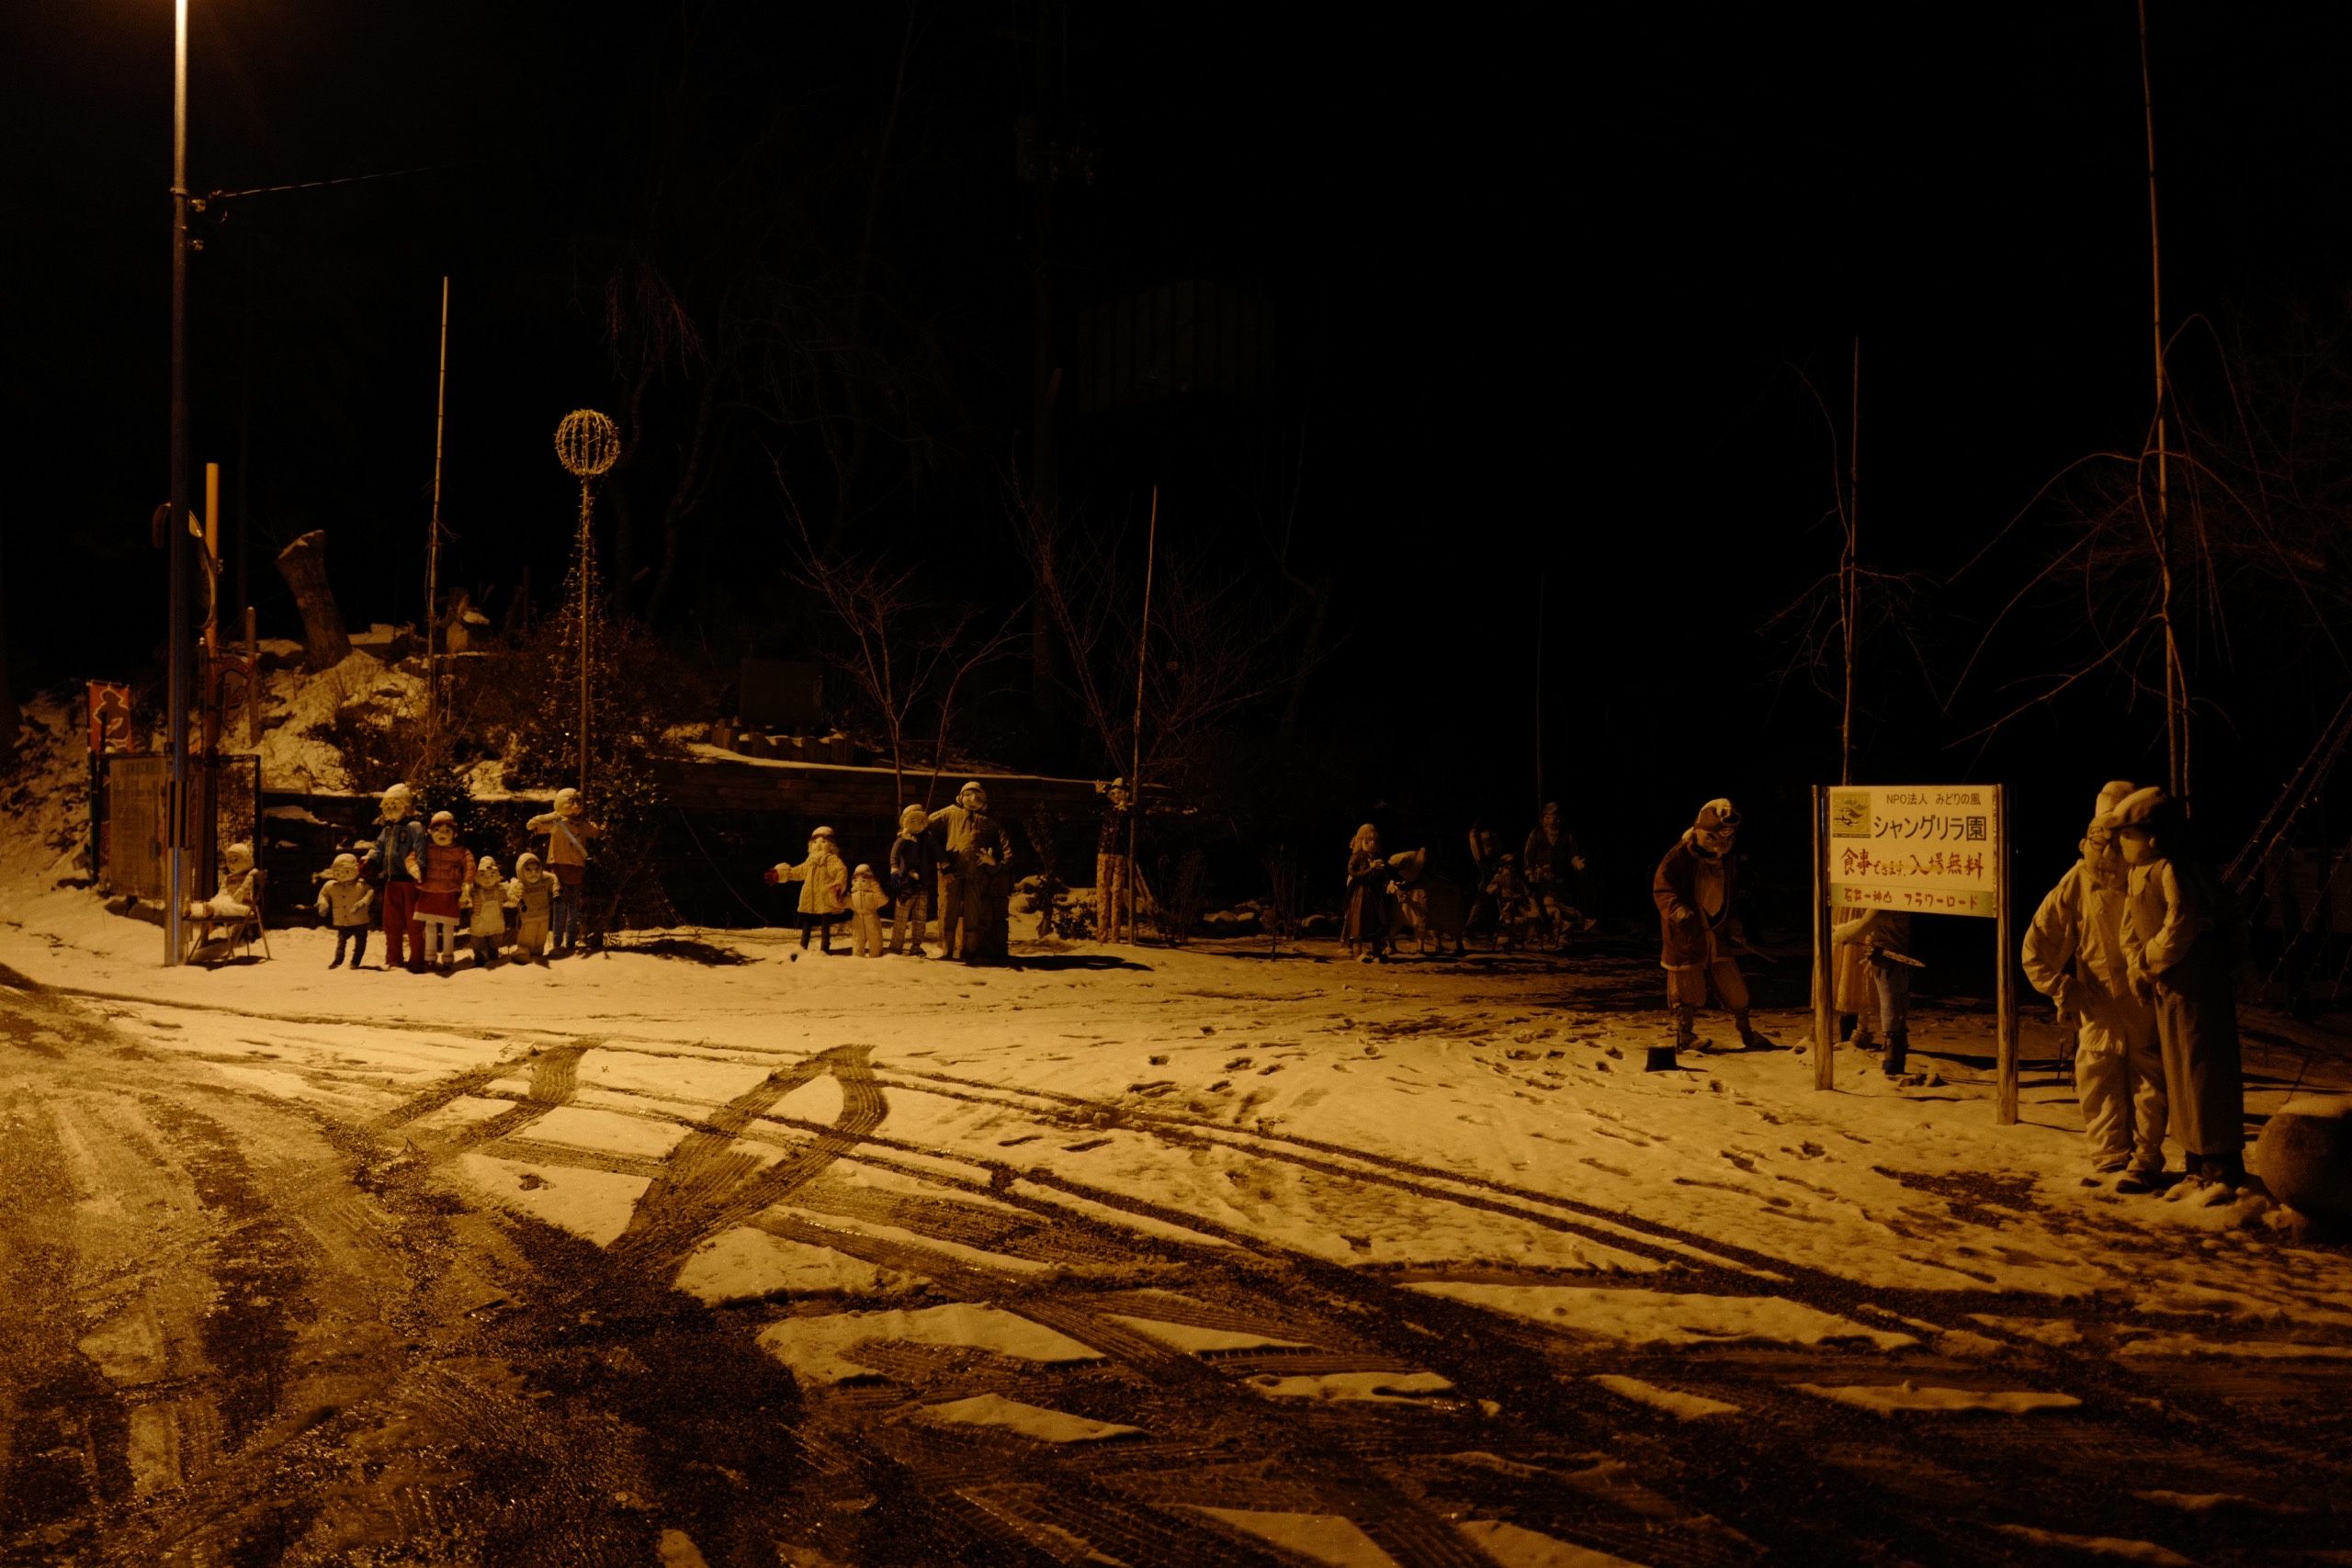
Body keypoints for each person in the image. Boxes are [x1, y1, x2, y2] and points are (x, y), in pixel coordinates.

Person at [2021, 781, 2165, 1189]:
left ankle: (2145, 1161)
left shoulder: (2153, 874)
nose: (2109, 849)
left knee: (2149, 1080)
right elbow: (2038, 944)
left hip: (2146, 998)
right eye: (2100, 838)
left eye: (2118, 836)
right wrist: (2063, 987)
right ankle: (2109, 1157)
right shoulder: (2079, 881)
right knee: (2099, 1076)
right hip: (2098, 1001)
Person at [2114, 786, 2247, 1191]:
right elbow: (2130, 926)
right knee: (2178, 1067)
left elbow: (2182, 920)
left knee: (2203, 1065)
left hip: (2194, 978)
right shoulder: (2138, 874)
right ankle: (2194, 1158)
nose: (2122, 844)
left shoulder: (2174, 869)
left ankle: (2219, 1163)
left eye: (2129, 834)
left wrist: (2152, 957)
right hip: (2166, 982)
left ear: (2154, 836)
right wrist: (2138, 964)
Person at [1652, 798, 1770, 1053]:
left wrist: (1735, 923)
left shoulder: (1727, 859)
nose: (1720, 847)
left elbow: (1731, 893)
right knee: (1687, 985)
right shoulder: (1679, 856)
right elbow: (1662, 888)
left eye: (1726, 841)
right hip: (1687, 933)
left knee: (1733, 986)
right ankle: (1685, 1035)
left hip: (1717, 932)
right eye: (1714, 839)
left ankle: (1747, 1033)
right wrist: (1677, 910)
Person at [931, 782, 1012, 962]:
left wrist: (994, 862)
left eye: (979, 797)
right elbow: (924, 826)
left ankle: (970, 950)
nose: (973, 800)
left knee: (973, 912)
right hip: (952, 872)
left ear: (985, 801)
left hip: (975, 874)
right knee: (948, 910)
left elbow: (1007, 852)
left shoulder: (989, 824)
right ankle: (946, 949)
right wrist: (941, 858)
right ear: (960, 797)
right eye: (968, 795)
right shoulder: (950, 813)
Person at [1832, 907, 1915, 1074]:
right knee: (1895, 1003)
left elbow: (1866, 923)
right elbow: (1866, 922)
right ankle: (1894, 1056)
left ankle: (1893, 1058)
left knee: (1891, 1004)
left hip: (1888, 957)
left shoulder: (1886, 902)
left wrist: (1839, 934)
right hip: (1889, 955)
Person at [526, 786, 605, 956]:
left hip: (576, 868)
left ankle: (570, 941)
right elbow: (535, 825)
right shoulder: (557, 824)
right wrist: (541, 819)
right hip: (559, 869)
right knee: (559, 904)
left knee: (574, 906)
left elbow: (597, 832)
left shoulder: (583, 825)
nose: (576, 804)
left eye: (578, 801)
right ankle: (557, 942)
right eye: (571, 801)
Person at [360, 783, 425, 972]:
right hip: (391, 881)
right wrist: (370, 860)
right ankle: (393, 957)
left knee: (414, 922)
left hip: (411, 882)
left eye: (394, 805)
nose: (390, 810)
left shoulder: (414, 827)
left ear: (406, 806)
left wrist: (421, 869)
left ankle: (417, 959)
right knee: (391, 922)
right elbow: (379, 848)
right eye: (386, 806)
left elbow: (421, 850)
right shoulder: (387, 830)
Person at [767, 827, 850, 953]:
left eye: (823, 842)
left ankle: (824, 947)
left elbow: (841, 872)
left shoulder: (831, 860)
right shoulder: (810, 861)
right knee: (806, 921)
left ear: (831, 845)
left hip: (824, 896)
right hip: (809, 895)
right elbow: (798, 871)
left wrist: (838, 885)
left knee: (825, 923)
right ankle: (803, 945)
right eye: (815, 842)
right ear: (811, 845)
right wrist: (782, 874)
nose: (819, 845)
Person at [409, 810, 471, 975]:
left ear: (454, 834)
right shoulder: (426, 849)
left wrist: (467, 883)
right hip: (429, 892)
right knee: (429, 927)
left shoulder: (459, 851)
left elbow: (469, 864)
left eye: (447, 831)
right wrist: (414, 868)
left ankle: (448, 958)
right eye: (437, 830)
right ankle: (429, 958)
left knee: (448, 928)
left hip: (448, 893)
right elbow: (411, 857)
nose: (441, 834)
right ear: (430, 832)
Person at [1524, 801, 1594, 947]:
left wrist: (1577, 863)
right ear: (1543, 818)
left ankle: (1562, 934)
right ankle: (1548, 932)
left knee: (1561, 903)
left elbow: (1573, 855)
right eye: (1549, 817)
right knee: (1545, 905)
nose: (1552, 821)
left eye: (1556, 818)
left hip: (1559, 879)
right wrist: (1530, 871)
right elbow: (1528, 855)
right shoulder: (1536, 833)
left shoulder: (1566, 835)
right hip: (1541, 880)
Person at [1343, 823, 1397, 963]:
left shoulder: (1376, 857)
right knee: (1358, 923)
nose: (1371, 844)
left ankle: (1377, 953)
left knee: (1376, 923)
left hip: (1374, 895)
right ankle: (1358, 954)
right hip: (1361, 894)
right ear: (1361, 841)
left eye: (1373, 841)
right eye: (1367, 841)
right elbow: (1352, 872)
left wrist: (1389, 883)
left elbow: (1383, 875)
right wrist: (1370, 869)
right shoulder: (1358, 856)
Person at [888, 805, 937, 956]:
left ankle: (916, 946)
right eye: (912, 822)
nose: (916, 826)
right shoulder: (902, 839)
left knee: (920, 918)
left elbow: (936, 851)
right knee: (901, 916)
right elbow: (895, 854)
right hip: (906, 885)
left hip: (922, 885)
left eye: (920, 822)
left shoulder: (927, 839)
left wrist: (944, 862)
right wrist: (894, 867)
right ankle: (896, 945)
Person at [316, 852, 375, 970]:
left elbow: (370, 892)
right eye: (338, 872)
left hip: (359, 920)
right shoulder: (331, 886)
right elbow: (323, 894)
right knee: (341, 941)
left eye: (346, 871)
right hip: (343, 920)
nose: (341, 875)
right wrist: (323, 903)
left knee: (360, 942)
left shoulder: (361, 885)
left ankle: (355, 961)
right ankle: (338, 960)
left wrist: (363, 902)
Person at [1096, 778, 1136, 942]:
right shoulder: (1108, 809)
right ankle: (1102, 936)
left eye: (1120, 793)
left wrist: (1125, 808)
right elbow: (1096, 809)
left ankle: (1115, 936)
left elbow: (1136, 815)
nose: (1117, 796)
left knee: (1117, 894)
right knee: (1102, 893)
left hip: (1120, 855)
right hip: (1104, 854)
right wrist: (1099, 794)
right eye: (1114, 793)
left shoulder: (1129, 811)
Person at [507, 852, 557, 965]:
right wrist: (517, 899)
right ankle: (522, 953)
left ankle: (537, 955)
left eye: (536, 868)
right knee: (526, 939)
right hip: (528, 919)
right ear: (521, 870)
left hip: (543, 916)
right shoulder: (520, 884)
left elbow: (554, 879)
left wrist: (556, 890)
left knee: (540, 940)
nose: (533, 872)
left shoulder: (544, 880)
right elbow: (511, 894)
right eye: (528, 869)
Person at [462, 855, 512, 968]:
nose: (487, 879)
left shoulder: (501, 890)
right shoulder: (475, 892)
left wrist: (516, 897)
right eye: (483, 875)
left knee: (496, 937)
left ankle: (493, 950)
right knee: (478, 939)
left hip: (496, 922)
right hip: (480, 923)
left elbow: (511, 898)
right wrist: (464, 894)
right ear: (477, 877)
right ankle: (480, 953)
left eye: (491, 875)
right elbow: (464, 899)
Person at [848, 864, 888, 957]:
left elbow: (883, 900)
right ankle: (857, 958)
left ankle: (876, 956)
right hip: (857, 921)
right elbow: (840, 903)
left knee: (875, 940)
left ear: (870, 881)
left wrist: (877, 889)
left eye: (863, 880)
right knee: (857, 940)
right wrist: (833, 895)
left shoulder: (873, 896)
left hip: (872, 921)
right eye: (856, 880)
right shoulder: (852, 897)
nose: (859, 883)